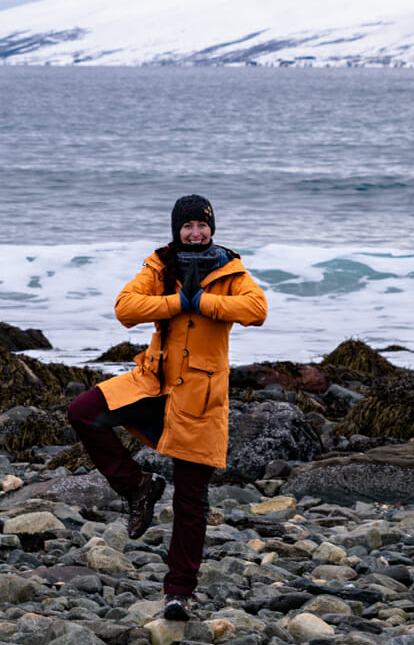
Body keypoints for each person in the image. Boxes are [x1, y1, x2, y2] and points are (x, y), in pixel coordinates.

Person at [65, 193, 268, 620]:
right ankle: (136, 485)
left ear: (212, 228)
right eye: (187, 226)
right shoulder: (160, 266)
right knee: (83, 411)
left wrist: (205, 302)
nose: (195, 233)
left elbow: (256, 309)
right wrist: (178, 302)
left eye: (202, 225)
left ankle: (178, 592)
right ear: (176, 230)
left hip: (200, 399)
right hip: (153, 386)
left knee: (191, 500)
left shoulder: (230, 270)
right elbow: (126, 308)